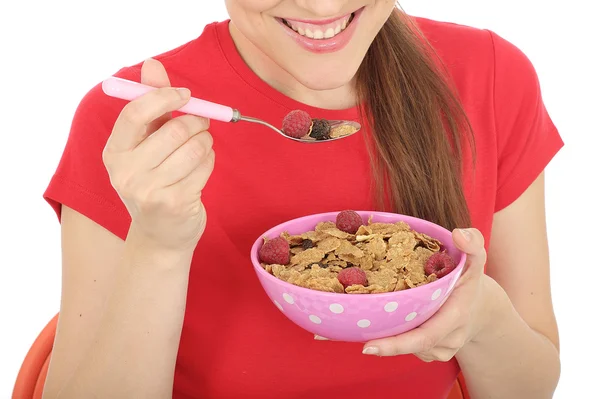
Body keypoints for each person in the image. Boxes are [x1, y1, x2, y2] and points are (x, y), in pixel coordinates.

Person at [40, 1, 563, 398]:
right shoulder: (136, 129)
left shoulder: (491, 76)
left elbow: (531, 386)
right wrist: (159, 245)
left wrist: (483, 318)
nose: (320, 7)